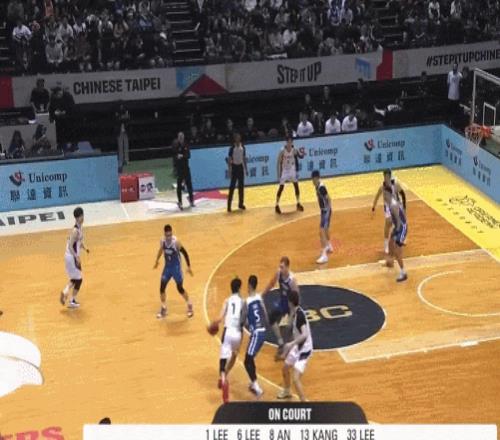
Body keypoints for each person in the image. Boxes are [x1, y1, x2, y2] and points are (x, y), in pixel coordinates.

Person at [212, 277, 245, 403]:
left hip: (228, 332)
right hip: (238, 333)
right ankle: (225, 375)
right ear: (239, 288)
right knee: (235, 355)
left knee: (223, 358)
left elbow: (219, 318)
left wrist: (211, 325)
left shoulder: (227, 300)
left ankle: (223, 379)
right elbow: (244, 321)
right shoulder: (243, 302)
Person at [277, 290, 313, 401]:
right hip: (298, 347)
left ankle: (304, 402)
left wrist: (291, 344)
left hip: (304, 350)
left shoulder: (299, 316)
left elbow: (305, 334)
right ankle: (287, 391)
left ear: (290, 302)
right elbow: (294, 332)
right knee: (285, 369)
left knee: (296, 379)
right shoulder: (294, 312)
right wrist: (286, 350)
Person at [153, 224, 194, 319]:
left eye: (170, 235)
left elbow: (185, 253)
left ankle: (189, 305)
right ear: (164, 234)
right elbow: (161, 250)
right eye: (167, 235)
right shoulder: (162, 241)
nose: (169, 237)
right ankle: (164, 308)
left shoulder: (176, 242)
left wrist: (188, 266)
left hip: (176, 268)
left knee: (180, 288)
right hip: (167, 268)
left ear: (172, 233)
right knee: (162, 288)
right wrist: (157, 260)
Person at [262, 256, 299, 359]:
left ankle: (292, 350)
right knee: (271, 317)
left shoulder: (292, 280)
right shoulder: (278, 273)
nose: (280, 269)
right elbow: (271, 283)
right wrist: (262, 294)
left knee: (289, 328)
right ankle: (280, 342)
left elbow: (296, 297)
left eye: (282, 267)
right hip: (282, 302)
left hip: (290, 305)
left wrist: (294, 312)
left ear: (287, 267)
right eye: (280, 266)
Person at [60, 207, 89, 308]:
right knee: (79, 279)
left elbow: (78, 242)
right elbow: (70, 246)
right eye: (81, 216)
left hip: (71, 256)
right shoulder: (75, 231)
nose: (82, 218)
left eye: (82, 215)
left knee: (75, 277)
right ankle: (72, 301)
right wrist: (76, 257)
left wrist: (85, 248)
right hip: (71, 257)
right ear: (77, 218)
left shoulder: (79, 228)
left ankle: (65, 291)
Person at [371, 169, 406, 254]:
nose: (386, 178)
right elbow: (376, 197)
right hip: (388, 207)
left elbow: (403, 194)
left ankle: (399, 239)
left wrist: (404, 207)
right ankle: (386, 243)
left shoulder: (396, 184)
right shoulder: (382, 187)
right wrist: (373, 208)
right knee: (388, 222)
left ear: (390, 177)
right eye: (385, 176)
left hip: (397, 205)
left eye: (387, 176)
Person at [244, 275, 268, 398]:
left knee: (247, 360)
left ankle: (256, 387)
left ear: (249, 285)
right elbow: (265, 315)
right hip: (262, 332)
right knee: (250, 358)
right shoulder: (259, 298)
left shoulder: (246, 302)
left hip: (257, 333)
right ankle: (254, 383)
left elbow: (245, 322)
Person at [383, 185, 408, 282]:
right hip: (398, 227)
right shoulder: (390, 203)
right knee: (390, 243)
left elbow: (398, 222)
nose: (384, 197)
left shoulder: (393, 205)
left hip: (401, 228)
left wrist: (400, 237)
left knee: (397, 251)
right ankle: (390, 262)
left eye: (385, 194)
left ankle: (403, 273)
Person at [275, 136, 305, 214]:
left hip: (292, 169)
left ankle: (298, 203)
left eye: (291, 142)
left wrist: (303, 154)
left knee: (296, 185)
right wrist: (278, 175)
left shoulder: (294, 150)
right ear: (286, 142)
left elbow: (300, 156)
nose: (289, 143)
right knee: (281, 187)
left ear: (292, 142)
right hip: (284, 170)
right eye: (288, 142)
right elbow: (278, 163)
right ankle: (276, 205)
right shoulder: (282, 151)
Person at [312, 170, 333, 264]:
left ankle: (324, 256)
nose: (312, 181)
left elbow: (329, 198)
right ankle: (329, 246)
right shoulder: (317, 186)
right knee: (326, 230)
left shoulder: (321, 188)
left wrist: (328, 211)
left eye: (313, 179)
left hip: (326, 211)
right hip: (324, 211)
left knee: (321, 232)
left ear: (316, 178)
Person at [172, 132, 194, 210]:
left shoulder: (186, 144)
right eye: (180, 137)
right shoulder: (175, 145)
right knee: (179, 185)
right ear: (178, 138)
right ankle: (180, 202)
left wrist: (182, 156)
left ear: (184, 137)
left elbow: (188, 155)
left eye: (182, 137)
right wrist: (175, 167)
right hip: (179, 168)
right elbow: (174, 156)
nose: (181, 138)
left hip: (186, 168)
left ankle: (191, 201)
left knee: (189, 184)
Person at [227, 133, 247, 212]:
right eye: (237, 138)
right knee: (232, 187)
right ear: (235, 139)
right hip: (234, 167)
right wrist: (229, 170)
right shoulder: (232, 148)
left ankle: (240, 204)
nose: (238, 139)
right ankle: (229, 205)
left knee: (241, 187)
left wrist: (246, 169)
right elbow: (229, 159)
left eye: (239, 138)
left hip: (240, 167)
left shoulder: (243, 147)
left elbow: (244, 158)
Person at [115, 102, 130, 172]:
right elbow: (118, 119)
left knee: (126, 146)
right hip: (119, 132)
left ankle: (126, 160)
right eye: (120, 106)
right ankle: (120, 161)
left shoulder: (126, 112)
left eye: (122, 106)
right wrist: (122, 117)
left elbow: (127, 118)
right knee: (120, 147)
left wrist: (123, 117)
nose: (121, 107)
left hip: (125, 132)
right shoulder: (117, 113)